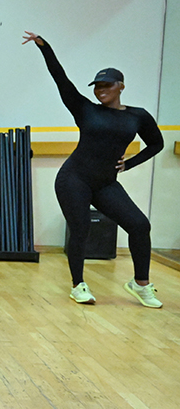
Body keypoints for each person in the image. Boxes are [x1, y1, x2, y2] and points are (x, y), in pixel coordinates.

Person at [23, 31, 164, 307]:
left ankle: (141, 283)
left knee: (139, 225)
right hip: (74, 178)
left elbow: (156, 144)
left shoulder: (138, 116)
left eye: (107, 85)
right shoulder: (85, 109)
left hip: (105, 183)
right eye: (97, 86)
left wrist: (129, 164)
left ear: (121, 86)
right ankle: (79, 285)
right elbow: (60, 79)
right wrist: (44, 47)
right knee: (81, 228)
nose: (100, 90)